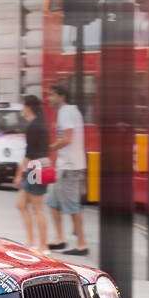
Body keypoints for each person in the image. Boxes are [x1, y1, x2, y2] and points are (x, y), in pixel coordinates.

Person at [45, 84, 88, 255]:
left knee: (72, 206)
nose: (49, 99)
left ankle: (82, 244)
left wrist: (49, 148)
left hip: (70, 167)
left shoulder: (66, 112)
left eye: (52, 95)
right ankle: (60, 239)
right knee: (53, 202)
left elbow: (67, 139)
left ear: (61, 96)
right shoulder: (69, 111)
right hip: (65, 166)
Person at [13, 94, 49, 252]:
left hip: (36, 168)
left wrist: (18, 174)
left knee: (37, 207)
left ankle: (43, 245)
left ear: (28, 107)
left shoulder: (34, 126)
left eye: (23, 105)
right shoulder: (39, 124)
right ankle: (32, 242)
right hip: (39, 166)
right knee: (21, 205)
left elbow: (29, 153)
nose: (22, 109)